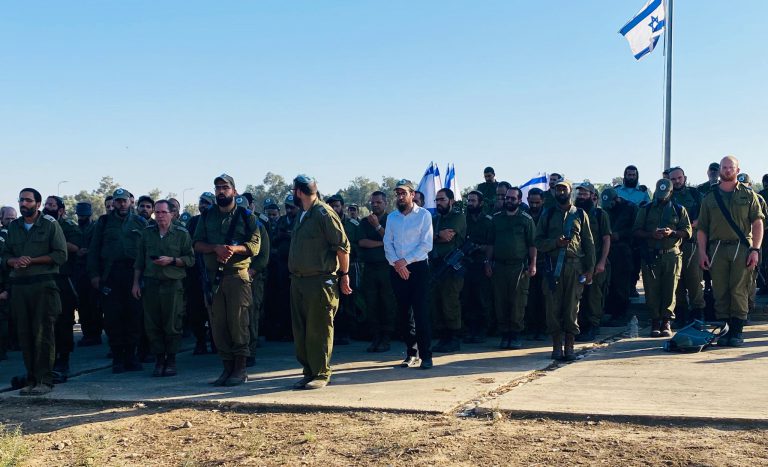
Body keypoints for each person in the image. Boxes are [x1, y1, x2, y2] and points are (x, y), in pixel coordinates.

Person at [193, 174, 261, 386]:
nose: (221, 191)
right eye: (218, 188)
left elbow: (255, 246)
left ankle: (240, 368)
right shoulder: (206, 216)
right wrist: (215, 248)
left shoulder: (246, 216)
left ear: (234, 190)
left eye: (225, 187)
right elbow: (196, 244)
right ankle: (227, 367)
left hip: (236, 277)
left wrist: (233, 249)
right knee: (218, 325)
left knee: (238, 322)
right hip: (214, 279)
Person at [288, 175, 351, 390]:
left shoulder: (324, 213)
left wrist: (344, 274)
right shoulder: (303, 214)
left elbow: (342, 246)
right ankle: (309, 371)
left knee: (320, 329)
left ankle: (321, 373)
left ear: (298, 192)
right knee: (302, 330)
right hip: (299, 281)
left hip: (320, 281)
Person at [2, 188, 67, 395]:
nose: (24, 204)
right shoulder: (14, 227)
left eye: (28, 200)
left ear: (38, 204)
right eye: (21, 200)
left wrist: (32, 260)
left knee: (43, 333)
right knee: (25, 334)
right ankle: (31, 379)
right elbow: (4, 256)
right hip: (20, 287)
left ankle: (44, 380)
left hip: (43, 285)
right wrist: (14, 261)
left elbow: (60, 254)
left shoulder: (49, 224)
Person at [698, 156, 764, 347]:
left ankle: (736, 331)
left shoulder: (748, 195)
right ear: (719, 170)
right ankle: (725, 329)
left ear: (737, 169)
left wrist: (755, 249)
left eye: (730, 167)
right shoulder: (710, 197)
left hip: (741, 248)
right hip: (717, 248)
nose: (727, 170)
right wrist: (702, 252)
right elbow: (702, 228)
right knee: (720, 290)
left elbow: (757, 222)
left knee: (739, 290)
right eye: (724, 167)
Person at [88, 188, 148, 373]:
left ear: (131, 202)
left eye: (124, 201)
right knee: (113, 318)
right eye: (118, 201)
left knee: (134, 316)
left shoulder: (140, 221)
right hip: (111, 274)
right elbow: (94, 249)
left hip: (133, 274)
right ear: (113, 203)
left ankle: (131, 356)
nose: (121, 204)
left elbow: (147, 249)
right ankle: (117, 358)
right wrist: (94, 275)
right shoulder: (104, 222)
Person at [132, 200, 194, 376]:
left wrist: (172, 261)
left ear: (172, 214)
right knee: (152, 324)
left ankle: (171, 360)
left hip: (172, 285)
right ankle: (159, 360)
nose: (159, 216)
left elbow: (190, 260)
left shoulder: (181, 234)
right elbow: (139, 261)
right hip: (151, 284)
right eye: (157, 213)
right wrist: (136, 283)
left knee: (172, 324)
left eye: (163, 212)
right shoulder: (147, 233)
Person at [535, 180, 595, 361]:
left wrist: (590, 269)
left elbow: (589, 243)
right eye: (558, 189)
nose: (561, 192)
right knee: (553, 308)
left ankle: (569, 346)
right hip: (552, 267)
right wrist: (555, 243)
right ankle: (556, 346)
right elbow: (537, 241)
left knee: (571, 307)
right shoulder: (548, 214)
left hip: (574, 267)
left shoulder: (580, 214)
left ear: (570, 192)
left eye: (564, 189)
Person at [383, 179, 434, 369]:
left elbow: (426, 244)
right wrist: (397, 264)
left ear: (413, 194)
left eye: (404, 193)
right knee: (404, 314)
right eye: (398, 194)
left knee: (420, 312)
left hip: (418, 268)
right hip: (397, 268)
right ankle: (411, 353)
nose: (400, 196)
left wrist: (406, 262)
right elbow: (388, 243)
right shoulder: (392, 218)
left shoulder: (424, 215)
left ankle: (426, 355)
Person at [633, 179, 692, 337]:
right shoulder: (646, 209)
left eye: (664, 194)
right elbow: (636, 231)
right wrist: (651, 234)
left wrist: (671, 233)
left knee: (670, 289)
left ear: (671, 193)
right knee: (651, 290)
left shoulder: (679, 210)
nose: (661, 197)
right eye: (659, 194)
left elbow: (687, 232)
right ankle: (655, 321)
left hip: (671, 254)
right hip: (651, 254)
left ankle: (666, 321)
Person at [485, 187, 536, 349]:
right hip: (499, 266)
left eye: (513, 199)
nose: (509, 201)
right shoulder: (496, 219)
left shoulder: (526, 219)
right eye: (507, 198)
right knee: (500, 301)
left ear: (520, 201)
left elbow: (532, 244)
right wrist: (487, 262)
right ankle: (504, 334)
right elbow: (490, 243)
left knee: (517, 301)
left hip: (518, 267)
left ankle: (515, 334)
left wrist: (533, 264)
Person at [42, 195, 83, 382]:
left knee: (64, 320)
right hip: (42, 279)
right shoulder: (38, 225)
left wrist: (54, 237)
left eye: (52, 205)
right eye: (46, 205)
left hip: (64, 279)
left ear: (61, 210)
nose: (48, 208)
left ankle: (63, 358)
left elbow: (76, 248)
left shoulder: (69, 227)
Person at [358, 191, 397, 352]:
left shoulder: (393, 220)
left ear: (385, 203)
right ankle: (375, 337)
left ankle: (386, 338)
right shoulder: (364, 222)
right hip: (370, 268)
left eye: (378, 202)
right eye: (373, 203)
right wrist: (383, 243)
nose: (375, 205)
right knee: (371, 303)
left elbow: (393, 240)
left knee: (387, 303)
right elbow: (362, 242)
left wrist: (377, 227)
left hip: (387, 267)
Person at [430, 188, 466, 353]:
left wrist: (434, 237)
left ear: (451, 201)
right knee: (437, 302)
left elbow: (448, 237)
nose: (439, 203)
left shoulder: (457, 217)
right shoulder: (435, 219)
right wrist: (437, 236)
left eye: (442, 199)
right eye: (437, 200)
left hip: (452, 267)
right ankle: (444, 337)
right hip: (436, 265)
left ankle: (454, 337)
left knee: (450, 302)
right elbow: (424, 238)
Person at [574, 183, 611, 342]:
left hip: (595, 262)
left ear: (592, 196)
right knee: (578, 296)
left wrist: (602, 262)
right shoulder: (574, 213)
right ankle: (580, 326)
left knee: (594, 296)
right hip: (577, 263)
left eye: (585, 194)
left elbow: (606, 239)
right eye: (579, 194)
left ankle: (593, 326)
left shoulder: (600, 214)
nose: (581, 197)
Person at [668, 167, 706, 325]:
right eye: (673, 179)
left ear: (684, 177)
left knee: (694, 280)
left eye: (679, 178)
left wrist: (691, 225)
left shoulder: (695, 194)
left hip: (692, 243)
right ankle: (681, 314)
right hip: (672, 244)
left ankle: (698, 313)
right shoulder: (665, 196)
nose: (677, 181)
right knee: (677, 281)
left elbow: (705, 214)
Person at [601, 188, 638, 326]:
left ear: (616, 199)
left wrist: (620, 235)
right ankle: (611, 313)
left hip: (625, 250)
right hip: (609, 250)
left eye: (611, 203)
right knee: (610, 283)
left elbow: (636, 228)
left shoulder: (630, 208)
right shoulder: (605, 210)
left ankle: (621, 314)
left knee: (622, 284)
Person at [185, 192, 216, 355]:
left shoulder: (217, 221)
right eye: (201, 202)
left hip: (213, 271)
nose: (203, 205)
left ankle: (216, 341)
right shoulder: (193, 222)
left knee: (216, 309)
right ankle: (200, 341)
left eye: (207, 203)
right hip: (195, 271)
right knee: (195, 309)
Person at [461, 190, 493, 343]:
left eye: (473, 201)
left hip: (481, 264)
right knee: (467, 298)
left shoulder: (488, 221)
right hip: (466, 264)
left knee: (481, 298)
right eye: (469, 200)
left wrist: (481, 250)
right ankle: (470, 329)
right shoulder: (464, 219)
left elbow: (492, 244)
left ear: (480, 203)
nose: (470, 203)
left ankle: (482, 329)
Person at [326, 194, 358, 346]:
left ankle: (346, 332)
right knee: (331, 301)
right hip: (329, 269)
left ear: (342, 207)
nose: (334, 209)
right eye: (331, 206)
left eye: (337, 206)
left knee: (347, 301)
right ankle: (334, 332)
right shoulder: (324, 223)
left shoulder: (352, 224)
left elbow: (357, 245)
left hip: (347, 267)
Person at [74, 201, 102, 347]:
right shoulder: (76, 228)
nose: (81, 217)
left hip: (92, 270)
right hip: (79, 270)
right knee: (83, 305)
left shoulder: (95, 227)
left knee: (94, 305)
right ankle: (88, 334)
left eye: (83, 215)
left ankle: (95, 334)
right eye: (79, 214)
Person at [524, 188, 547, 339]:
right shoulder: (524, 216)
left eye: (537, 202)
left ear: (542, 201)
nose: (533, 205)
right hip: (527, 261)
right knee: (530, 297)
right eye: (531, 202)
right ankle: (531, 327)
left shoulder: (548, 216)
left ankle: (543, 327)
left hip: (545, 261)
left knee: (544, 297)